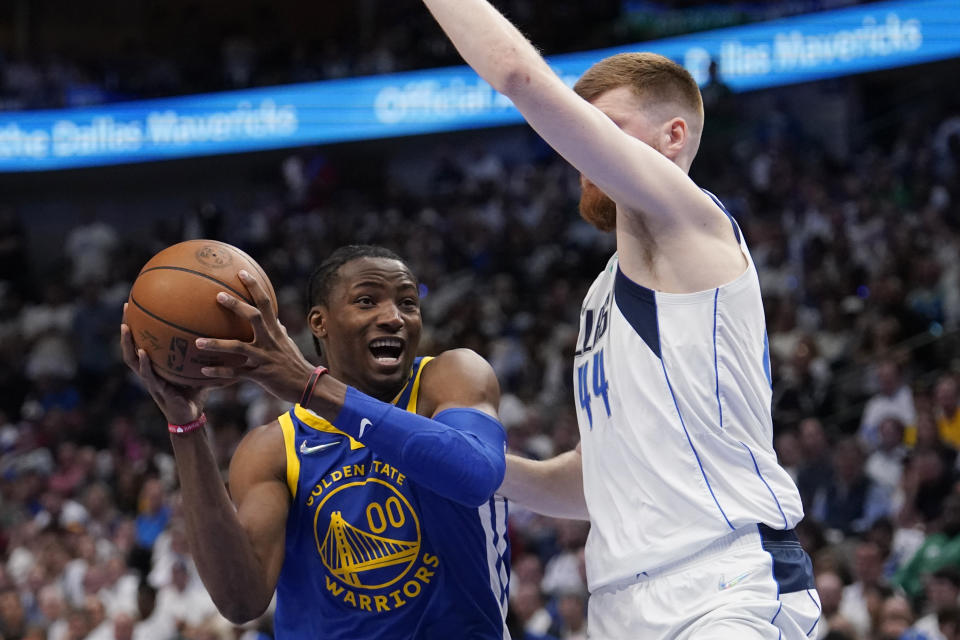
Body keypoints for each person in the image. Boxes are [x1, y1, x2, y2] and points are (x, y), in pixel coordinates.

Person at [413, 1, 820, 636]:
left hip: (725, 586)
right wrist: (452, 464)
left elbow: (520, 75)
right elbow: (591, 480)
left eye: (605, 128)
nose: (586, 152)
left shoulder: (696, 224)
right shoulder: (600, 296)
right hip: (619, 607)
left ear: (673, 136)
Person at [119, 245, 510, 638]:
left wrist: (313, 387)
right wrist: (185, 426)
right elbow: (241, 601)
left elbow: (475, 475)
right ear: (320, 323)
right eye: (367, 301)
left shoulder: (451, 378)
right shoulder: (273, 448)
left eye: (408, 302)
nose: (393, 317)